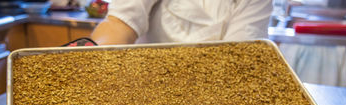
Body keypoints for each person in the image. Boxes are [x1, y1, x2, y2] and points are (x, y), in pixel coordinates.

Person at [91, 0, 273, 45]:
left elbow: (241, 56)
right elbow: (120, 25)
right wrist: (92, 59)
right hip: (149, 88)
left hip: (216, 95)